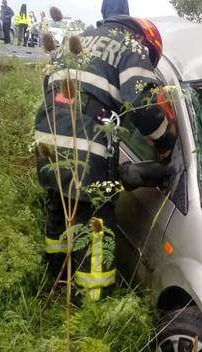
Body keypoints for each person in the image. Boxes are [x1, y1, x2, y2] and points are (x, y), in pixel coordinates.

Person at [33, 16, 175, 302]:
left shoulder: (79, 39)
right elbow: (140, 103)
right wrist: (165, 142)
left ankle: (56, 282)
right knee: (96, 227)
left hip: (47, 139)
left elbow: (50, 84)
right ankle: (93, 303)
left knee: (60, 208)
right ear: (147, 42)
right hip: (85, 147)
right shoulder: (131, 47)